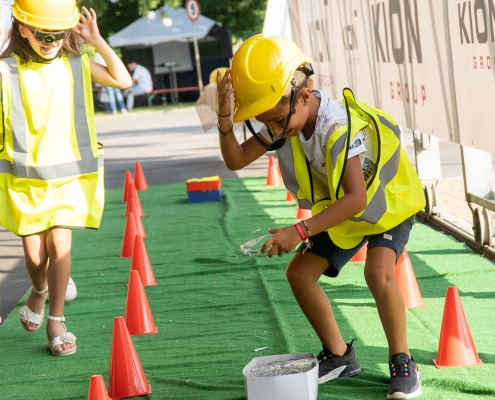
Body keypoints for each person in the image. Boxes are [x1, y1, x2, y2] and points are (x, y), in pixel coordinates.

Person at [216, 34, 425, 399]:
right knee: (299, 273)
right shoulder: (286, 118)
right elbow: (235, 160)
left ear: (305, 96)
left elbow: (358, 197)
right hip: (345, 211)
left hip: (387, 203)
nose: (276, 132)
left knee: (378, 271)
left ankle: (402, 361)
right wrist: (223, 118)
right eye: (269, 123)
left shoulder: (336, 125)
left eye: (279, 121)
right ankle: (341, 356)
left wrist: (299, 229)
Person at [0, 0, 132, 356]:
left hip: (69, 179)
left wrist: (96, 41)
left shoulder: (78, 63)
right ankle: (40, 291)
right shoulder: (5, 71)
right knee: (35, 257)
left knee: (60, 247)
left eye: (58, 33)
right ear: (22, 28)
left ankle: (56, 320)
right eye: (43, 34)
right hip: (25, 183)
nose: (51, 40)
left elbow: (123, 79)